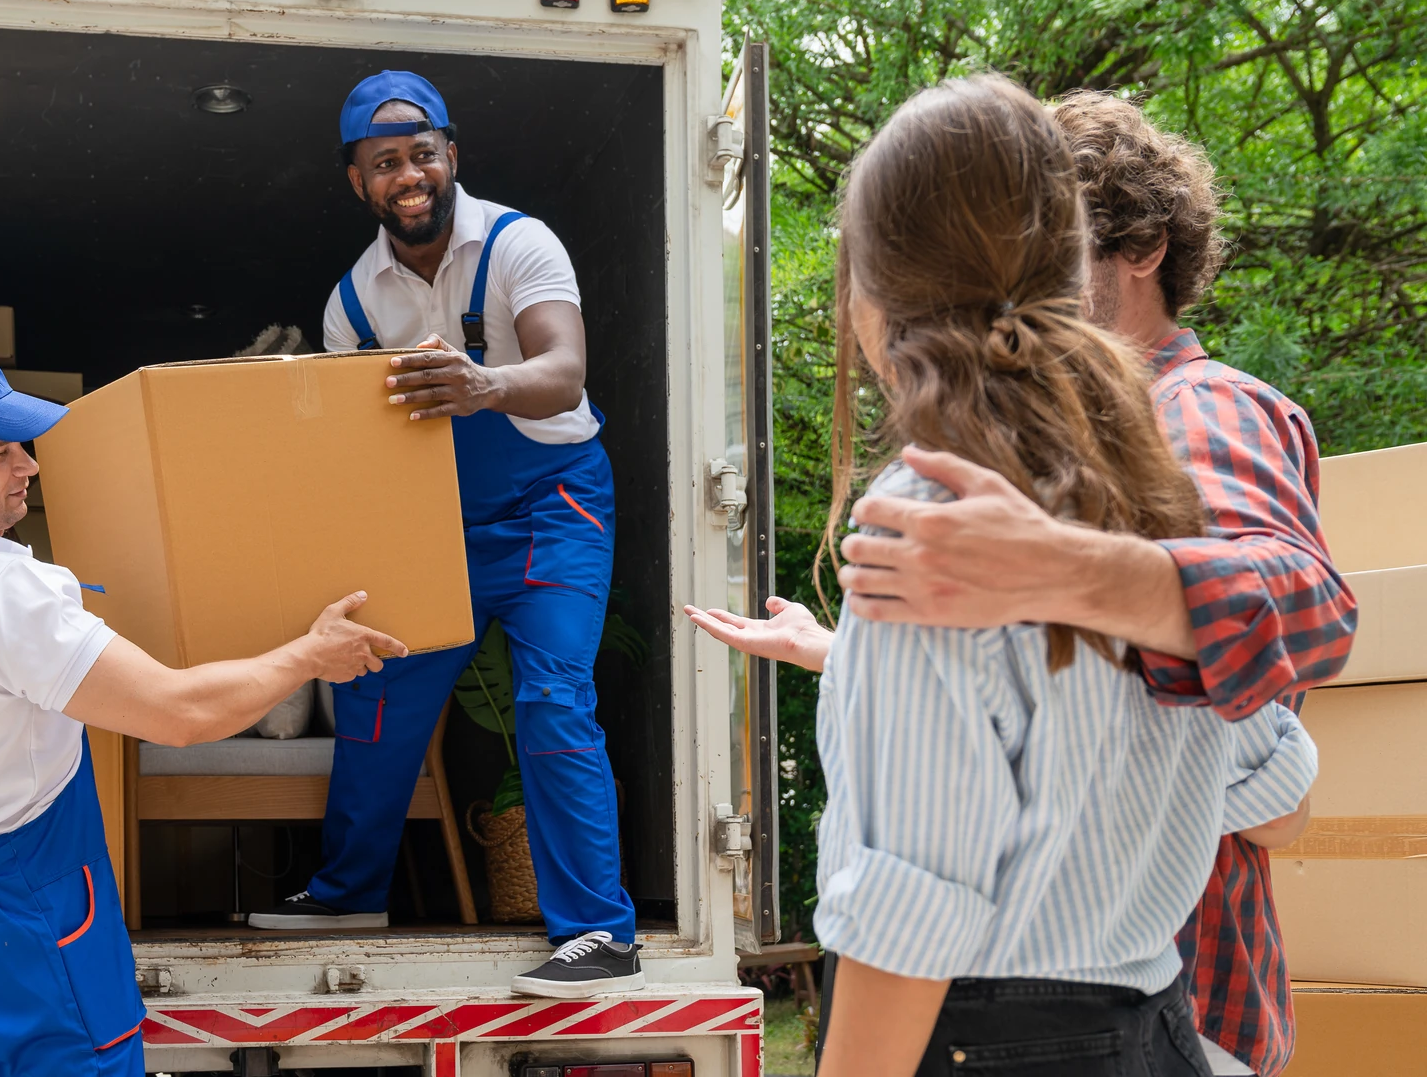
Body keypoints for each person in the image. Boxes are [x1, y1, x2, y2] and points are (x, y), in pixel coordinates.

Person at [686, 89, 1351, 1077]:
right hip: (1158, 1030)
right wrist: (861, 660)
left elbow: (907, 911)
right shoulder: (1149, 476)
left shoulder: (941, 514)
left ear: (876, 288)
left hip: (990, 1043)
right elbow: (1276, 776)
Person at [0, 339, 408, 1077]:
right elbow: (178, 714)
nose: (29, 465)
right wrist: (311, 655)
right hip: (35, 931)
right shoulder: (1, 592)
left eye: (23, 443)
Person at [244, 70, 641, 1000]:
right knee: (375, 688)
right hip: (437, 523)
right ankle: (349, 895)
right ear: (359, 182)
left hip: (555, 506)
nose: (409, 173)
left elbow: (566, 372)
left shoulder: (517, 243)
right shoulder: (353, 302)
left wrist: (486, 385)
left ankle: (597, 933)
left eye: (423, 153)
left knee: (551, 699)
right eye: (386, 162)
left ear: (451, 156)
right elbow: (359, 444)